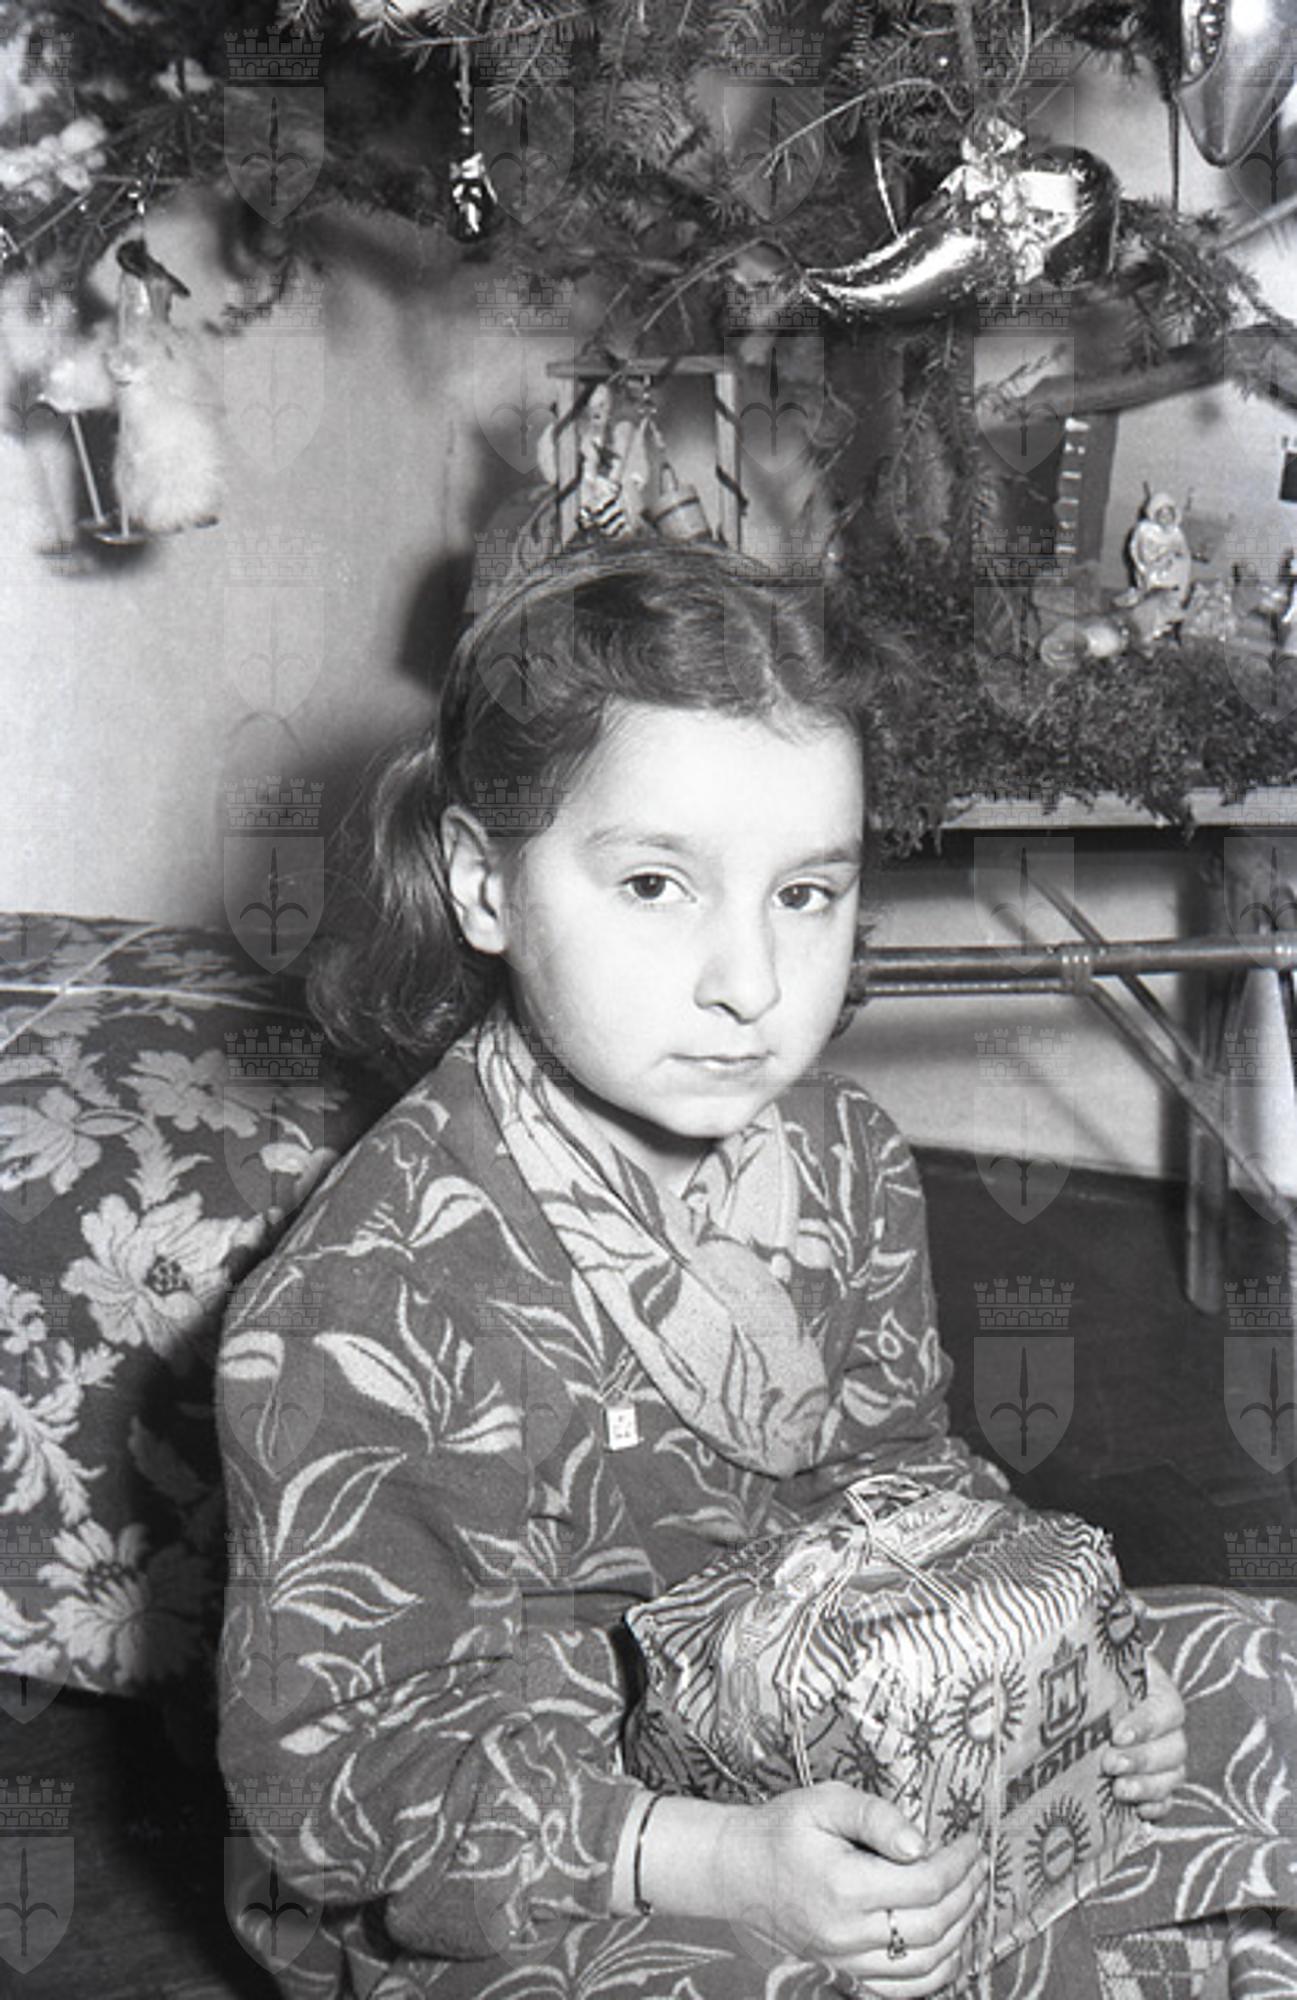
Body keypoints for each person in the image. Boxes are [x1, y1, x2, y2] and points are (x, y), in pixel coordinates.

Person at [217, 546, 1295, 2000]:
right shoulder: (366, 1301)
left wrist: (1074, 1668)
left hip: (840, 1706)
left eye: (804, 893)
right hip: (555, 1841)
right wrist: (720, 1860)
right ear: (483, 883)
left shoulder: (846, 1155)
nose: (750, 980)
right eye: (656, 883)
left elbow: (906, 1476)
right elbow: (336, 1780)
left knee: (1261, 1682)